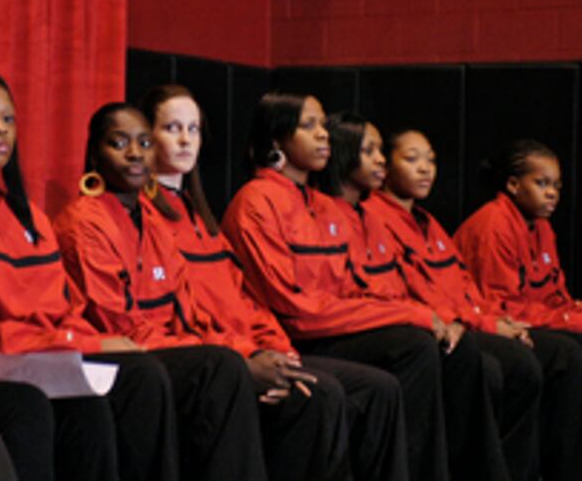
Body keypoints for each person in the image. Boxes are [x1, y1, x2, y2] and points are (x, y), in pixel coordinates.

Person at [138, 84, 408, 481]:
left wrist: (278, 350)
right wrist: (252, 357)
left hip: (256, 347)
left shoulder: (201, 218)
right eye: (172, 128)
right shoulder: (159, 215)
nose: (184, 139)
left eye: (193, 129)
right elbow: (189, 314)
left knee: (378, 388)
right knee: (321, 394)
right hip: (216, 359)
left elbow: (245, 300)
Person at [0, 67, 178, 481]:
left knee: (121, 388)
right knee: (33, 405)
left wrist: (83, 341)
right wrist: (74, 342)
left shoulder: (29, 217)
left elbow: (64, 306)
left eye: (7, 118)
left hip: (41, 353)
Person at [221, 92, 452, 481]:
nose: (323, 135)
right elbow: (295, 308)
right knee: (412, 347)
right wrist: (411, 314)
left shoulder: (323, 205)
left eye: (324, 125)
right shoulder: (256, 201)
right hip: (294, 335)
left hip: (330, 327)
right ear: (277, 139)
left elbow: (352, 292)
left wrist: (417, 314)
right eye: (309, 126)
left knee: (405, 365)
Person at [52, 102, 268, 481]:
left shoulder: (155, 220)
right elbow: (119, 325)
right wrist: (228, 358)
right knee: (219, 369)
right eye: (119, 143)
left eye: (144, 142)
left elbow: (190, 313)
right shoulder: (84, 222)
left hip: (168, 350)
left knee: (267, 378)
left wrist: (249, 351)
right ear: (94, 154)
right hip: (120, 357)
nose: (135, 153)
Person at [363, 128, 543, 481]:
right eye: (412, 159)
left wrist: (495, 321)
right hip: (428, 329)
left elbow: (464, 286)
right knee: (492, 366)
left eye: (430, 160)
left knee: (529, 362)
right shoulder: (375, 217)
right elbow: (412, 293)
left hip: (467, 322)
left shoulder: (428, 222)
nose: (425, 169)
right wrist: (487, 325)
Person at [454, 138, 582, 481]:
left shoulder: (541, 227)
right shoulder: (493, 224)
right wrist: (568, 319)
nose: (552, 193)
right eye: (541, 183)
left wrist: (572, 312)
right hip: (494, 325)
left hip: (531, 320)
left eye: (556, 185)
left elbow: (554, 294)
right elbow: (502, 306)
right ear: (513, 185)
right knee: (567, 353)